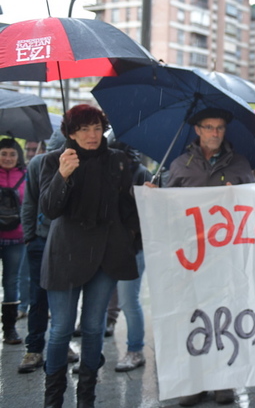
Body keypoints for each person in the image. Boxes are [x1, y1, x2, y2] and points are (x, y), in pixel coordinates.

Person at [39, 105, 140, 407]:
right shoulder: (52, 161)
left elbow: (125, 210)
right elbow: (49, 209)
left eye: (97, 127)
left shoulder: (118, 162)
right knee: (60, 329)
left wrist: (144, 197)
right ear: (70, 133)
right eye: (83, 129)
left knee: (94, 327)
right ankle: (53, 396)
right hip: (66, 254)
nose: (92, 135)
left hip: (106, 255)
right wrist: (63, 175)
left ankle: (87, 395)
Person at [158, 107, 255, 406]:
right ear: (197, 130)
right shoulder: (178, 164)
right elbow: (166, 209)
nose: (215, 133)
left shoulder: (240, 164)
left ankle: (223, 381)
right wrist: (153, 196)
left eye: (220, 128)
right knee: (193, 319)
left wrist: (237, 195)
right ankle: (195, 382)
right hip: (190, 258)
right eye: (209, 127)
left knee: (224, 318)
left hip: (226, 257)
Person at [17, 130, 80, 373]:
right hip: (41, 240)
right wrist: (30, 237)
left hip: (67, 242)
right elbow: (30, 202)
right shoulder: (38, 164)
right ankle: (34, 349)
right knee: (38, 296)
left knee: (65, 297)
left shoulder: (80, 161)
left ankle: (62, 345)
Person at [108, 137, 153, 373]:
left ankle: (135, 349)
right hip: (108, 247)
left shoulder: (142, 175)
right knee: (105, 302)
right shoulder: (104, 171)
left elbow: (150, 215)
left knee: (127, 300)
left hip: (134, 247)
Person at [0, 138, 27, 345]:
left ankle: (9, 328)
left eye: (12, 154)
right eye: (3, 153)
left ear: (18, 156)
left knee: (11, 281)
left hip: (17, 238)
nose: (7, 158)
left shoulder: (25, 176)